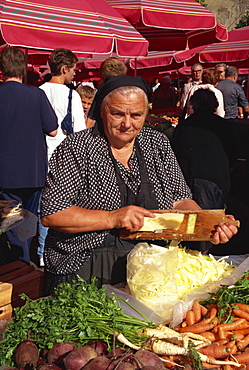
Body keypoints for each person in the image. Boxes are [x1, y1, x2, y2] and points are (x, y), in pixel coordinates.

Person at [40, 75, 238, 296]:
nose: (127, 124)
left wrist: (207, 223)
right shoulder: (77, 148)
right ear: (102, 111)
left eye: (136, 115)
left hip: (151, 271)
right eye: (117, 114)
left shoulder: (157, 144)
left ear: (146, 114)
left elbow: (180, 198)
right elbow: (52, 213)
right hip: (86, 268)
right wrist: (112, 218)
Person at [0, 46, 58, 265]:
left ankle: (21, 265)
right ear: (23, 69)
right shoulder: (36, 94)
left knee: (12, 223)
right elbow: (53, 129)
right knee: (27, 222)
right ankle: (26, 266)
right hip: (33, 172)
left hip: (6, 175)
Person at [172, 89, 237, 251]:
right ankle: (200, 256)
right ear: (215, 106)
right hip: (214, 178)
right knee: (211, 226)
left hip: (188, 176)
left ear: (193, 105)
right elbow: (232, 157)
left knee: (193, 225)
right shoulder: (223, 125)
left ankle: (193, 258)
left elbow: (174, 154)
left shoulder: (185, 125)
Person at [38, 48, 86, 267]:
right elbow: (79, 130)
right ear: (65, 69)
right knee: (62, 205)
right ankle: (55, 249)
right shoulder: (72, 94)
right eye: (74, 69)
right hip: (66, 154)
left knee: (43, 205)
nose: (75, 73)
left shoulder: (39, 91)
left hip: (42, 153)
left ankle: (39, 252)